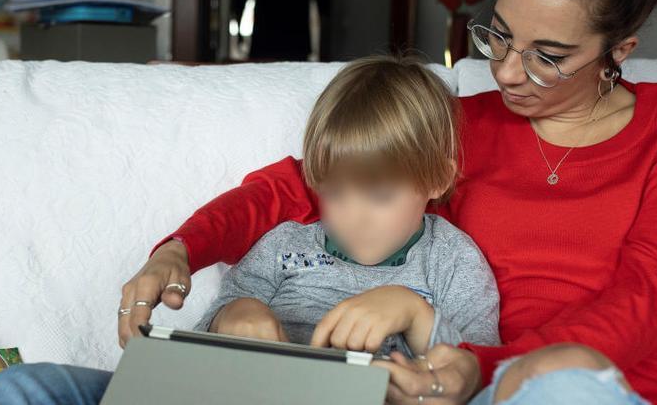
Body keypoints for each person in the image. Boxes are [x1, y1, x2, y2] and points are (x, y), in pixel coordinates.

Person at [0, 0, 657, 404]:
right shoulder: (454, 126)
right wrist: (181, 247)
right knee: (31, 388)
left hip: (593, 382)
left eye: (548, 57)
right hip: (433, 379)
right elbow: (295, 187)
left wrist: (481, 365)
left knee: (562, 387)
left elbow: (650, 297)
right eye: (497, 35)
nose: (503, 70)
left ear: (619, 50)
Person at [195, 56, 500, 356]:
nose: (354, 219)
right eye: (335, 193)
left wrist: (417, 316)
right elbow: (204, 329)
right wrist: (233, 314)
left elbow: (478, 366)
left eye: (380, 196)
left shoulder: (451, 262)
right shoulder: (285, 246)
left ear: (438, 179)